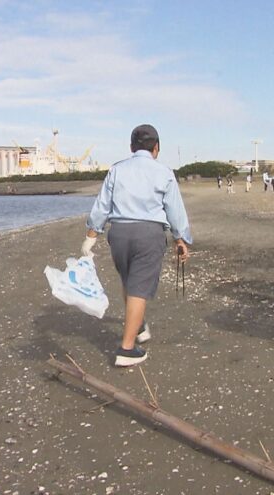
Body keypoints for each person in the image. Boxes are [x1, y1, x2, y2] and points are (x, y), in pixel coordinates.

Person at [81, 124, 192, 366]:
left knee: (129, 281)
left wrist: (91, 236)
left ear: (131, 147)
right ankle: (127, 349)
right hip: (148, 234)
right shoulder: (164, 173)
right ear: (157, 148)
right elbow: (175, 209)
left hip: (119, 233)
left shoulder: (117, 170)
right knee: (139, 288)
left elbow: (102, 205)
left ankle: (139, 326)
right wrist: (181, 238)